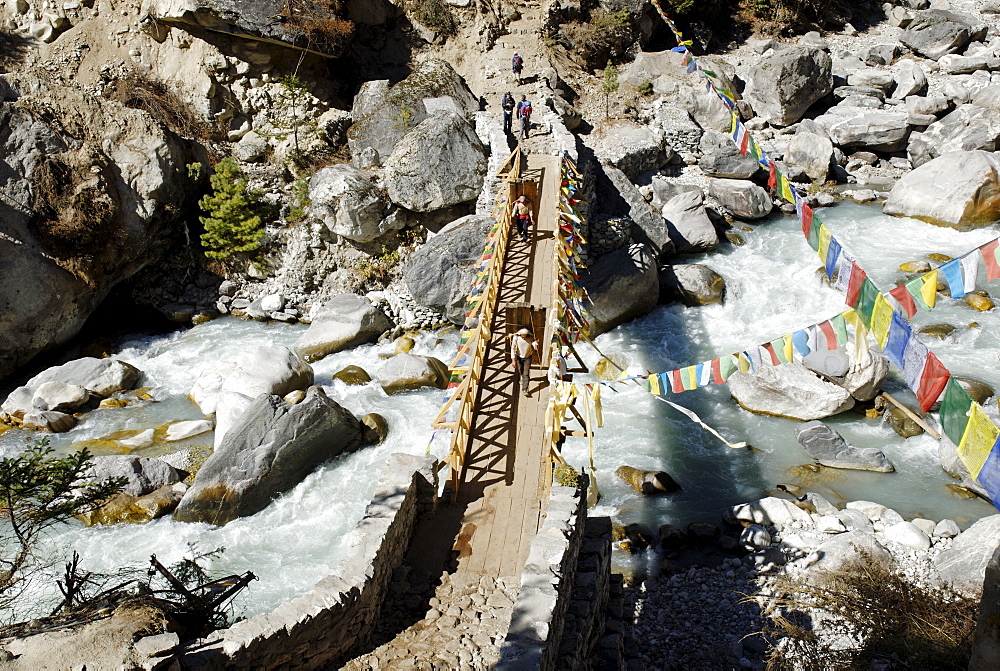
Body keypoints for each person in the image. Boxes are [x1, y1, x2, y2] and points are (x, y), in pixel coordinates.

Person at [510, 328, 538, 396]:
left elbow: (534, 342)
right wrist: (513, 360)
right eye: (522, 337)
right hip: (519, 356)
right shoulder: (516, 338)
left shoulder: (531, 338)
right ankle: (522, 378)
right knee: (520, 369)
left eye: (525, 337)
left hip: (528, 357)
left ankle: (525, 389)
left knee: (526, 373)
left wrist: (535, 345)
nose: (524, 338)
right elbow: (513, 348)